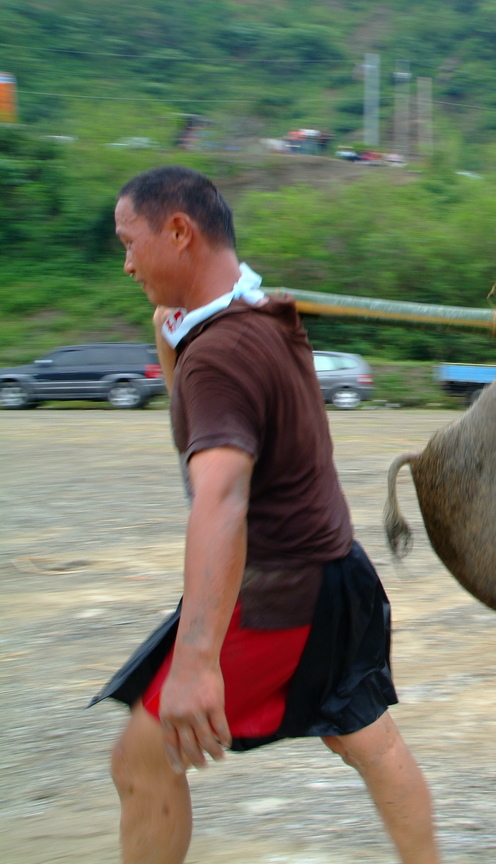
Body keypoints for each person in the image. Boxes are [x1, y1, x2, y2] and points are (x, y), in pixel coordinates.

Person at [93, 166, 439, 864]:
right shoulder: (264, 315)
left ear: (180, 232)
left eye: (131, 244)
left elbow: (220, 499)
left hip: (285, 592)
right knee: (365, 738)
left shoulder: (221, 352)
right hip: (341, 572)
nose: (127, 264)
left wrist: (195, 662)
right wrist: (173, 340)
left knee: (143, 758)